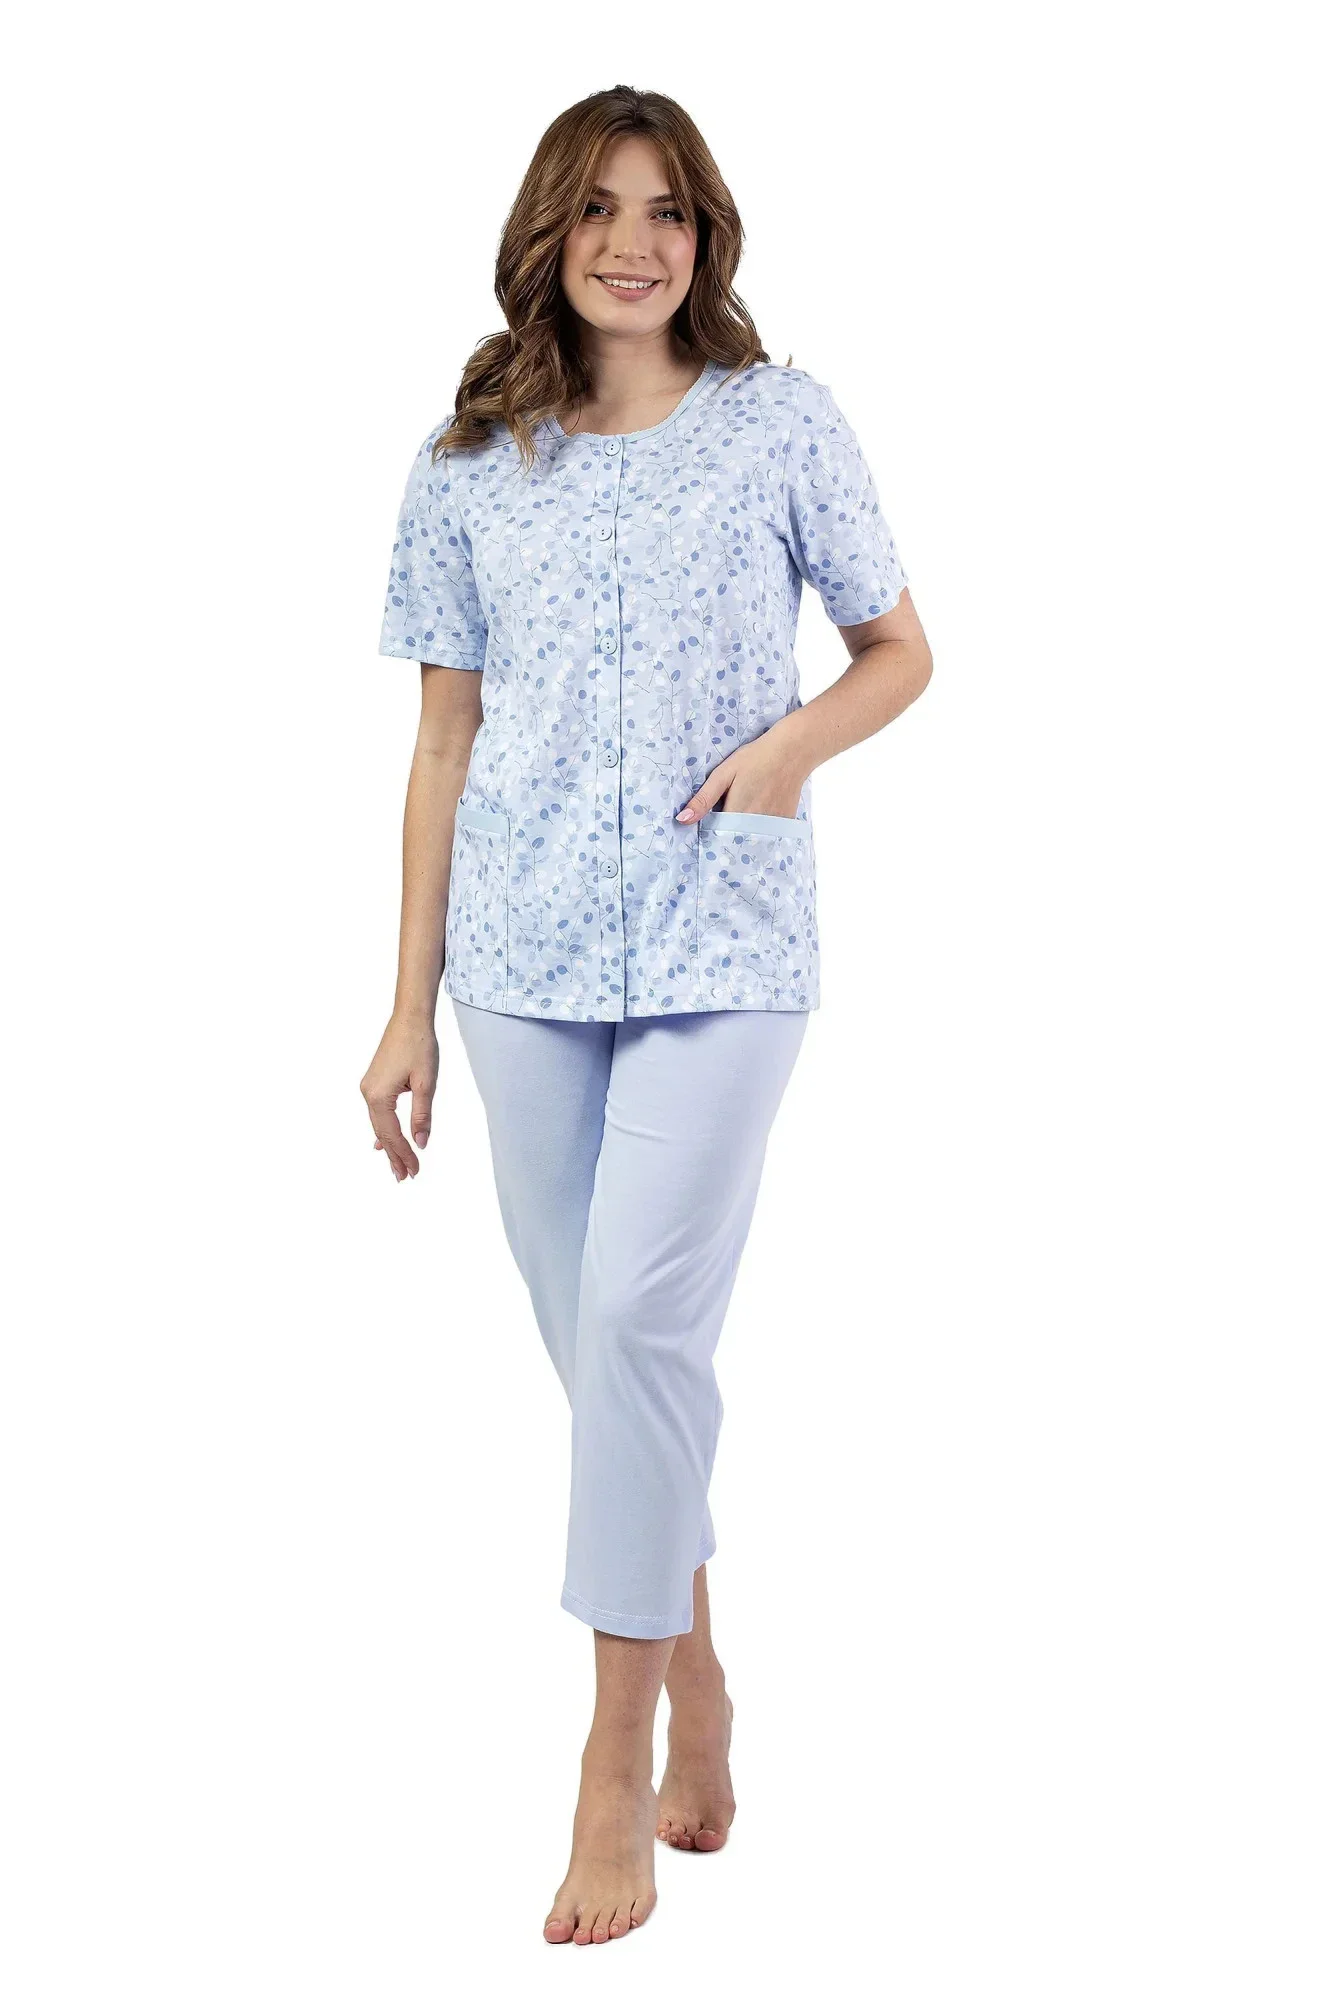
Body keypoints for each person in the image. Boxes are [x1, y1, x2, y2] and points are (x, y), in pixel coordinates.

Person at [359, 83, 933, 1947]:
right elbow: (439, 743)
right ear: (551, 233)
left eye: (669, 209)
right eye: (602, 208)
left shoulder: (783, 423)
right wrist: (404, 1009)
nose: (636, 242)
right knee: (608, 1354)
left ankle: (610, 1766)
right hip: (517, 961)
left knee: (635, 1319)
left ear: (708, 236)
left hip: (723, 940)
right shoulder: (468, 458)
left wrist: (787, 754)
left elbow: (902, 650)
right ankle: (698, 1670)